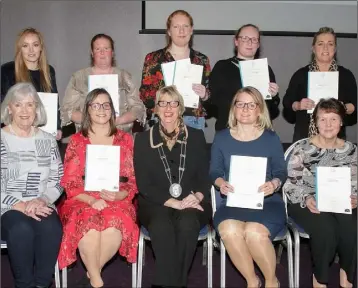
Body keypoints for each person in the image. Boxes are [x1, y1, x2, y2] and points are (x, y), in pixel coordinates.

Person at [58, 88, 139, 288]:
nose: (101, 109)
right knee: (90, 228)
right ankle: (96, 281)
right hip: (82, 198)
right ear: (87, 110)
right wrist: (91, 200)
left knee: (114, 225)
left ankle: (92, 276)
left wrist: (120, 194)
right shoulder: (77, 141)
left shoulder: (125, 139)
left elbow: (133, 179)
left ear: (112, 110)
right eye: (95, 105)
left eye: (106, 105)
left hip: (117, 197)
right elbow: (70, 181)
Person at [134, 85, 212, 287]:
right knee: (161, 226)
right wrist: (172, 203)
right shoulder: (143, 140)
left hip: (191, 199)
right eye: (163, 103)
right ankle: (177, 284)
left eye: (173, 103)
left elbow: (205, 176)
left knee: (187, 224)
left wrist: (198, 196)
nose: (168, 108)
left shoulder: (196, 136)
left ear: (181, 107)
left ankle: (167, 283)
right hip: (155, 202)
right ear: (156, 109)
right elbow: (143, 183)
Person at [210, 86, 286, 288]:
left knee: (254, 232)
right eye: (240, 104)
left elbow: (281, 171)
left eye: (251, 105)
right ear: (233, 109)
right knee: (229, 230)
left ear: (260, 109)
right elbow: (214, 172)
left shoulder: (271, 138)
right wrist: (221, 183)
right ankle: (252, 281)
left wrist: (274, 184)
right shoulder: (222, 137)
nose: (245, 109)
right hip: (234, 201)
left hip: (267, 202)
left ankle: (271, 282)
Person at [284, 98, 357, 288]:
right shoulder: (302, 149)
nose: (328, 124)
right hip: (307, 203)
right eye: (323, 119)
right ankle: (320, 280)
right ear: (315, 122)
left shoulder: (352, 151)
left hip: (341, 203)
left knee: (351, 230)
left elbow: (356, 183)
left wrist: (355, 198)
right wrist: (307, 198)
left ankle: (347, 277)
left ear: (341, 122)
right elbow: (291, 185)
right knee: (326, 230)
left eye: (333, 119)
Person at [0, 82, 63, 288]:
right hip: (7, 206)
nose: (25, 111)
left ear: (37, 108)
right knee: (21, 229)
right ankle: (24, 284)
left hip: (40, 202)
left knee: (52, 228)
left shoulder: (47, 140)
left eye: (30, 104)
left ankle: (42, 284)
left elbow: (58, 179)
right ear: (9, 108)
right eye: (18, 105)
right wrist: (19, 205)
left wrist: (42, 199)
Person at [139, 9, 211, 131]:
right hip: (161, 119)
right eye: (176, 26)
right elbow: (144, 95)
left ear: (191, 30)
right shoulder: (153, 59)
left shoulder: (202, 60)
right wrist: (164, 95)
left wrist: (205, 95)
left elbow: (211, 97)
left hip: (193, 120)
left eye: (185, 26)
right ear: (169, 31)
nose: (181, 31)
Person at [282, 27, 357, 143]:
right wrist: (298, 105)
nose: (325, 48)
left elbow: (355, 104)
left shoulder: (346, 76)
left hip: (336, 141)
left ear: (335, 48)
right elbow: (287, 102)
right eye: (320, 44)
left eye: (330, 44)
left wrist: (343, 108)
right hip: (304, 139)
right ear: (313, 48)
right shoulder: (301, 74)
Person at [60, 33, 146, 135]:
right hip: (87, 134)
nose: (102, 53)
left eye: (106, 48)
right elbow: (67, 110)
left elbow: (137, 108)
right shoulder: (78, 77)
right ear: (92, 53)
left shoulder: (124, 77)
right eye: (97, 49)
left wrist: (118, 120)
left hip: (120, 134)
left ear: (112, 52)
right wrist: (90, 120)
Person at [209, 24, 280, 132]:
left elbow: (272, 109)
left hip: (259, 131)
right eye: (245, 38)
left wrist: (273, 96)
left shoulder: (265, 69)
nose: (249, 42)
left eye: (254, 39)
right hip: (230, 130)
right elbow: (213, 101)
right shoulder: (222, 66)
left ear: (258, 44)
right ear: (236, 41)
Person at [1, 27, 62, 141]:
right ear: (20, 49)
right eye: (25, 46)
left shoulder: (49, 71)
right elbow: (4, 104)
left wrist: (57, 127)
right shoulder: (7, 70)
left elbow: (55, 102)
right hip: (16, 134)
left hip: (43, 133)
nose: (31, 50)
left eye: (35, 45)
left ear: (41, 48)